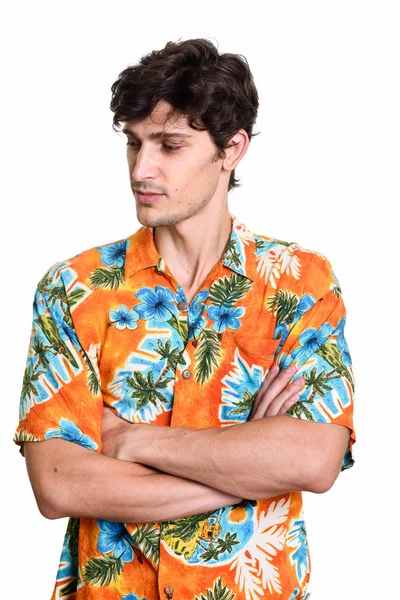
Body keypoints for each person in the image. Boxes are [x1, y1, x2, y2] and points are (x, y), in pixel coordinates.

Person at [14, 38, 355, 600]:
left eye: (169, 145)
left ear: (232, 149)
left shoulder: (301, 282)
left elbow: (313, 459)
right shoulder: (74, 289)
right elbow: (57, 483)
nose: (141, 168)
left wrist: (129, 440)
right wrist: (246, 468)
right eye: (134, 143)